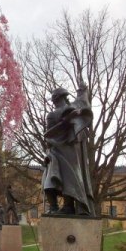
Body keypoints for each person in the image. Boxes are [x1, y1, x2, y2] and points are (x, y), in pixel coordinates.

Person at [42, 82, 94, 215]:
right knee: (66, 177)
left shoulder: (53, 115)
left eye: (54, 98)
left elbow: (49, 137)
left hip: (62, 151)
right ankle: (63, 206)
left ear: (56, 99)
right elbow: (82, 100)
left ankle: (64, 206)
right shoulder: (74, 107)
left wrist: (82, 90)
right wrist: (82, 90)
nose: (54, 101)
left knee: (61, 178)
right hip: (69, 151)